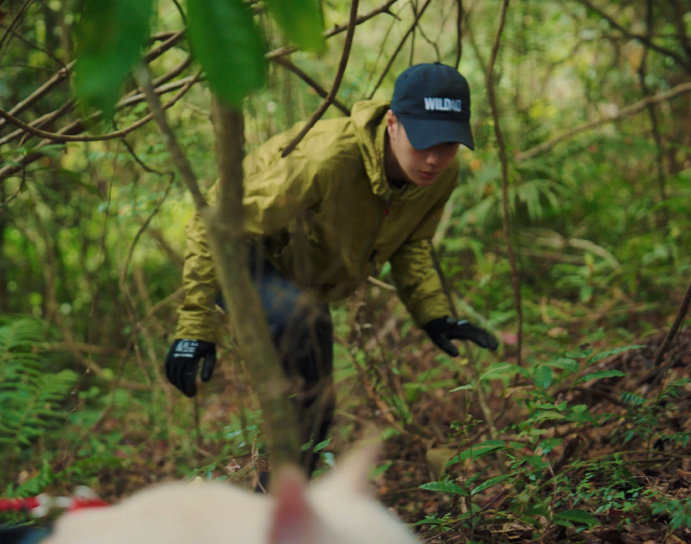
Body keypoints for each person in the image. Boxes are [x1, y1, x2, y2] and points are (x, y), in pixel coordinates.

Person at [164, 62, 498, 476]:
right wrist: (194, 329)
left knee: (317, 402)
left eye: (447, 144)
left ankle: (283, 511)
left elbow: (411, 242)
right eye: (424, 141)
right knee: (304, 325)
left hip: (301, 278)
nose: (433, 158)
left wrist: (434, 314)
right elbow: (212, 222)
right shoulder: (326, 160)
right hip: (241, 251)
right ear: (392, 123)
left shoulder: (438, 177)